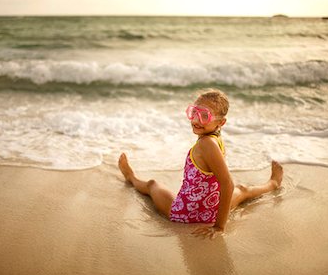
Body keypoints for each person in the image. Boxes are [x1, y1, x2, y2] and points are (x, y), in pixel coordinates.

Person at [118, 89, 283, 239]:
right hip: (214, 209)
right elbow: (226, 184)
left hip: (186, 214)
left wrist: (219, 227)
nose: (196, 119)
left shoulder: (206, 144)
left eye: (205, 116)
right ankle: (273, 183)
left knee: (152, 185)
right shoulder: (215, 139)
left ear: (221, 122)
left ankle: (131, 177)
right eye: (194, 113)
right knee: (244, 190)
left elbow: (227, 184)